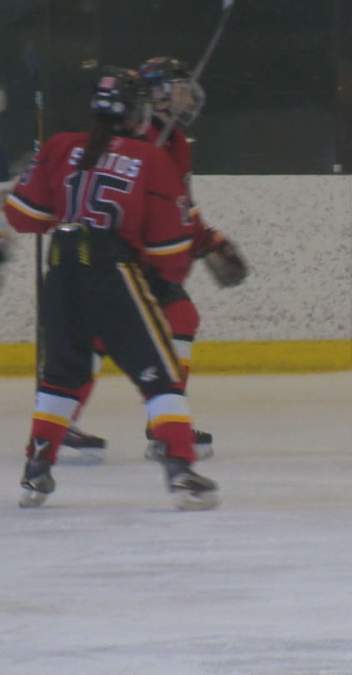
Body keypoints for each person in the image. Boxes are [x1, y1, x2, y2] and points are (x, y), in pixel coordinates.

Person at [3, 67, 218, 509]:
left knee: (61, 377)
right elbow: (169, 248)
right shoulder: (151, 157)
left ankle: (35, 472)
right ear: (139, 111)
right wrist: (166, 272)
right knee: (160, 374)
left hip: (60, 272)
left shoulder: (61, 145)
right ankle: (180, 471)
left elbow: (24, 216)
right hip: (113, 272)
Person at [61, 56, 247, 462]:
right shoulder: (131, 136)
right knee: (95, 337)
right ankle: (61, 423)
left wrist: (207, 239)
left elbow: (179, 206)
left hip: (148, 262)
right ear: (157, 95)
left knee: (181, 317)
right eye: (178, 87)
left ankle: (165, 425)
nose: (187, 96)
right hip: (117, 257)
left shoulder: (176, 143)